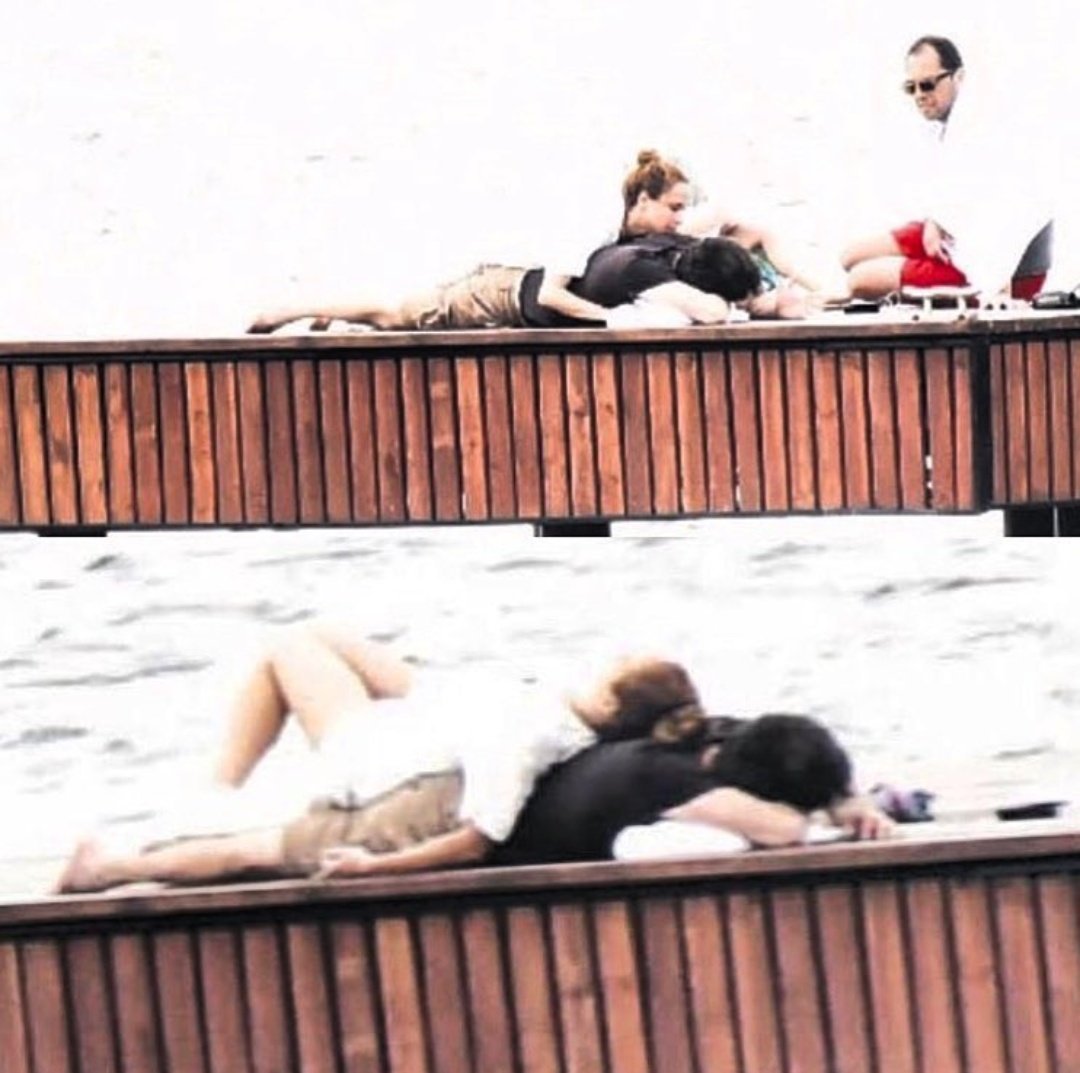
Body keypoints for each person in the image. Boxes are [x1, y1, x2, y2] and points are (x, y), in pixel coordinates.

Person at [55, 620, 710, 891]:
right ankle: (212, 794)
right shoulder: (559, 715)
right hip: (430, 712)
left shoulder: (529, 738)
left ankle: (208, 796)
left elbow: (479, 836)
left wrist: (375, 865)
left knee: (290, 651)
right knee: (313, 637)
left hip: (378, 756)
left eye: (614, 666)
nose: (603, 661)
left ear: (608, 700)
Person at [841, 35, 1053, 303]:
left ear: (959, 77)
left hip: (987, 266)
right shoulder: (951, 125)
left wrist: (941, 221)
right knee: (850, 256)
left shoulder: (982, 125)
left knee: (859, 280)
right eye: (911, 88)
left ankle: (936, 298)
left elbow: (996, 211)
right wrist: (936, 221)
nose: (920, 95)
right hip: (956, 239)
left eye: (928, 85)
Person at [617, 149, 829, 318]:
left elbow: (722, 214)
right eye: (674, 208)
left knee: (754, 234)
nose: (679, 217)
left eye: (682, 209)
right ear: (644, 200)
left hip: (726, 269)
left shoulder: (677, 235)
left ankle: (815, 288)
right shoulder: (622, 238)